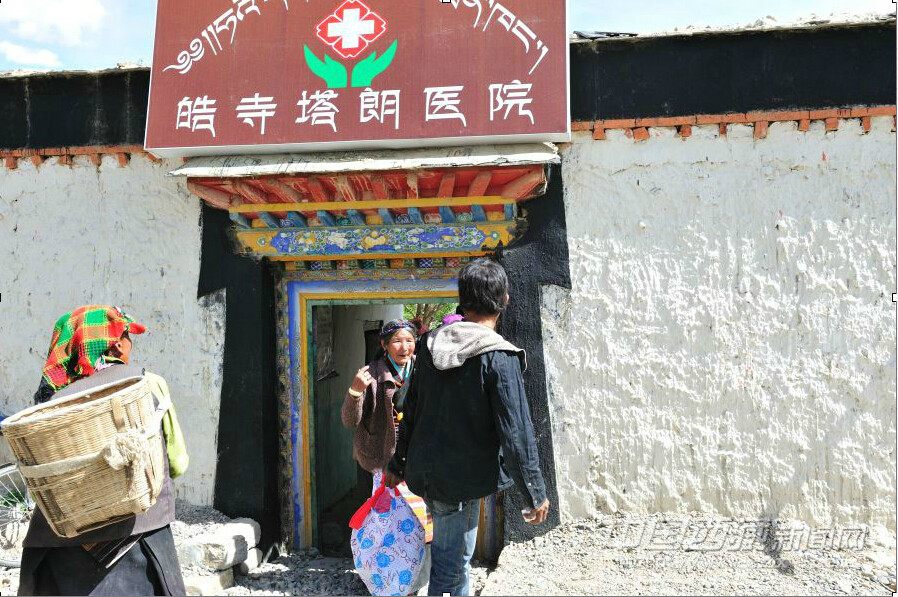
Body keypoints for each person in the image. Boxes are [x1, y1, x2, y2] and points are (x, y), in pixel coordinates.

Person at [386, 258, 550, 596]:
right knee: (451, 564)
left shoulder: (429, 346)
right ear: (504, 300)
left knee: (455, 557)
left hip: (427, 472)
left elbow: (410, 409)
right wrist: (534, 491)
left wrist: (398, 464)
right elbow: (516, 431)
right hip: (459, 481)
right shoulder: (498, 355)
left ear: (462, 301)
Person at [19, 305, 188, 596]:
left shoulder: (52, 403)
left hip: (64, 546)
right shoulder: (148, 385)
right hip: (140, 532)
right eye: (128, 336)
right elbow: (177, 463)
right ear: (118, 344)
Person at [342, 319, 418, 491]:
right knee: (377, 506)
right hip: (375, 459)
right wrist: (355, 391)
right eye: (397, 341)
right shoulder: (371, 374)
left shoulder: (423, 369)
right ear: (384, 344)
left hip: (412, 457)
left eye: (409, 341)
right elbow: (349, 421)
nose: (404, 348)